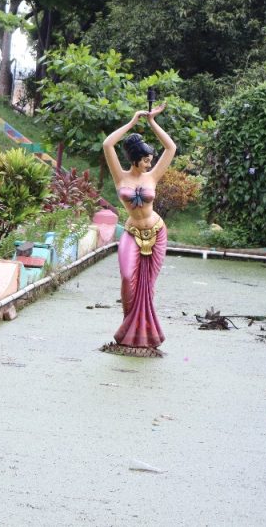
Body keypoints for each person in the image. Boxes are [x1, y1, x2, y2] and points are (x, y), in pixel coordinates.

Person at [100, 103, 176, 357]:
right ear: (134, 159)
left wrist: (153, 122)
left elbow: (171, 148)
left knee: (149, 284)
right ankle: (128, 325)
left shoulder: (151, 177)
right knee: (126, 276)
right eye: (145, 160)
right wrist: (133, 121)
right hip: (132, 233)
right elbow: (108, 145)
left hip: (156, 232)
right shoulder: (120, 177)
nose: (148, 163)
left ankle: (143, 334)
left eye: (150, 161)